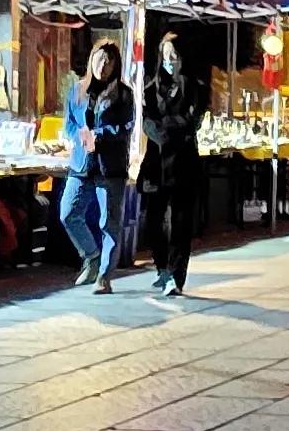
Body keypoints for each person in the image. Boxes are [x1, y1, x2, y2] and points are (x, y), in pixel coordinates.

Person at [59, 39, 132, 291]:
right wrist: (78, 134)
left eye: (109, 61)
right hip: (81, 164)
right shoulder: (77, 90)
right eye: (100, 59)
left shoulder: (123, 94)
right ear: (91, 60)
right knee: (68, 213)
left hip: (109, 167)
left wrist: (100, 134)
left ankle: (104, 277)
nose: (103, 65)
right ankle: (91, 255)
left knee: (109, 222)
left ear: (115, 65)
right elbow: (69, 122)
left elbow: (127, 127)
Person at [138, 29, 203, 300]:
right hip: (156, 164)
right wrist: (166, 131)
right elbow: (148, 123)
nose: (170, 62)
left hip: (184, 163)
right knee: (153, 220)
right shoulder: (150, 89)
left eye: (174, 56)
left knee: (181, 222)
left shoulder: (195, 88)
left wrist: (168, 127)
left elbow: (192, 121)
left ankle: (176, 275)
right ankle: (162, 268)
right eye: (165, 57)